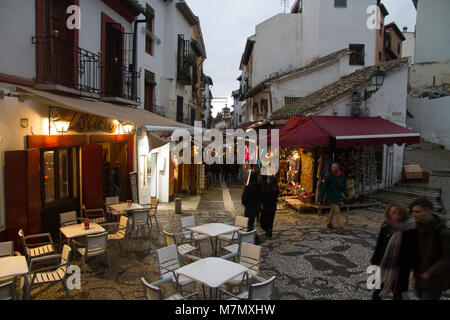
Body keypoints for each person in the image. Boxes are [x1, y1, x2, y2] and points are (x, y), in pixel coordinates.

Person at [370, 202, 418, 300]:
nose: (396, 216)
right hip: (384, 264)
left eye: (399, 213)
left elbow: (412, 249)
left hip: (401, 267)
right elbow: (380, 244)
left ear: (404, 215)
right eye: (394, 213)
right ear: (389, 213)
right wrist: (375, 260)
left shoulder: (410, 228)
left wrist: (413, 266)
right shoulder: (385, 225)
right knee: (377, 290)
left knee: (398, 293)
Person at [410, 198, 450, 300]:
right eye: (413, 211)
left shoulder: (443, 232)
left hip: (434, 280)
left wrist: (429, 272)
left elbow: (447, 257)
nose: (414, 214)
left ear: (427, 211)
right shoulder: (416, 228)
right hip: (419, 277)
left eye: (417, 211)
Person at [319, 162, 349, 233]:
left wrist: (346, 194)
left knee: (333, 210)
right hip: (331, 195)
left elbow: (344, 186)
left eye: (335, 167)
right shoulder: (328, 176)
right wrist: (321, 196)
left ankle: (329, 223)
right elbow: (324, 187)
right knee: (337, 211)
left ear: (338, 168)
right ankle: (341, 228)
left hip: (338, 195)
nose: (333, 169)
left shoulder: (342, 176)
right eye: (332, 167)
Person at [241, 171, 262, 244]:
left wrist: (246, 204)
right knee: (251, 223)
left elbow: (244, 200)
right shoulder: (259, 187)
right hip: (256, 209)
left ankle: (255, 239)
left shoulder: (248, 188)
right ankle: (252, 238)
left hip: (249, 209)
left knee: (249, 225)